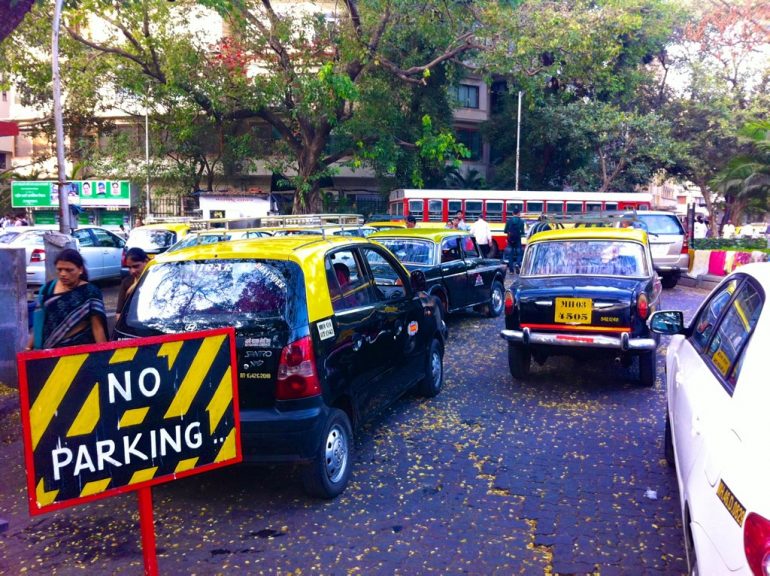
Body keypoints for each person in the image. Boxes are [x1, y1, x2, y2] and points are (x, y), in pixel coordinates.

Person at [26, 249, 108, 350]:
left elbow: (97, 327)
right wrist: (28, 348)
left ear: (80, 270)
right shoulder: (47, 289)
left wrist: (104, 354)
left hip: (80, 354)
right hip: (49, 353)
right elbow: (39, 323)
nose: (63, 274)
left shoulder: (90, 292)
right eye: (60, 269)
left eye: (69, 270)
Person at [116, 247, 150, 322]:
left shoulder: (155, 279)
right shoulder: (127, 282)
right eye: (129, 267)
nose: (132, 271)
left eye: (136, 266)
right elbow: (119, 313)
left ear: (146, 262)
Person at [503, 206, 525, 273]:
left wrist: (510, 233)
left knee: (510, 254)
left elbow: (505, 231)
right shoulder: (521, 221)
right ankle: (518, 264)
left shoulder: (509, 221)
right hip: (518, 239)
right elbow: (522, 232)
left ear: (512, 213)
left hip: (510, 240)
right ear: (518, 213)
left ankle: (511, 270)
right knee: (519, 253)